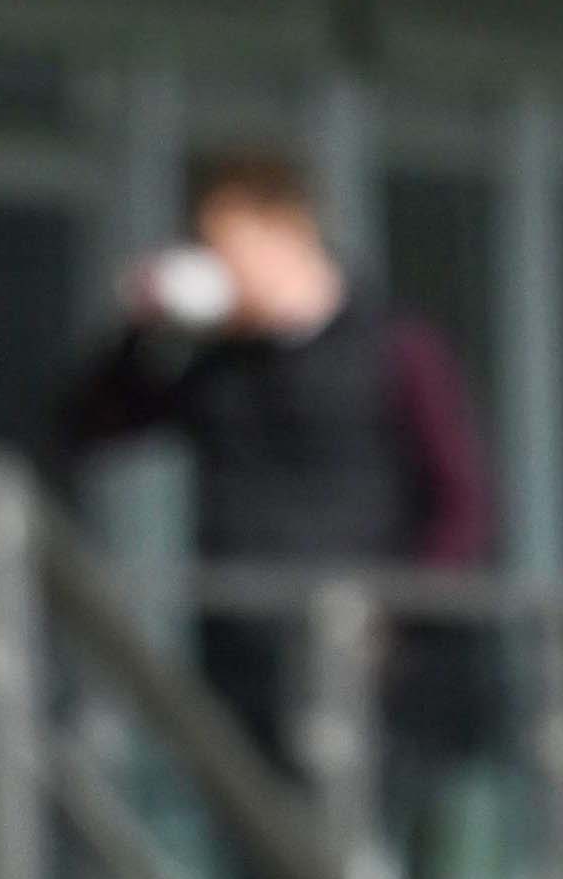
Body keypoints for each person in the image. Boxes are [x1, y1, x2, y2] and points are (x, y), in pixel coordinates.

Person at [45, 147, 493, 824]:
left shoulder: (397, 349)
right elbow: (86, 426)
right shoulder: (216, 364)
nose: (221, 267)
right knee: (264, 875)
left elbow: (465, 504)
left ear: (288, 232)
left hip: (378, 678)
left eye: (230, 247)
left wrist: (398, 615)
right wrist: (144, 332)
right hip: (243, 667)